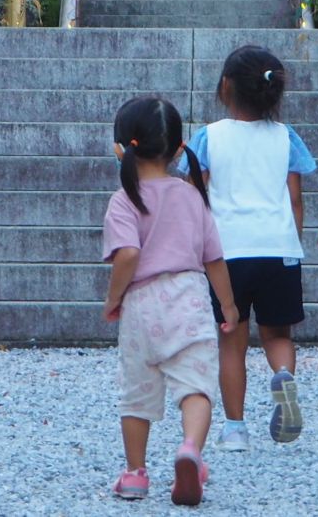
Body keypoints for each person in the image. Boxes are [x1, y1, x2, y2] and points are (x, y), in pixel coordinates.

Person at [103, 96, 241, 506]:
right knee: (196, 385)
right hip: (190, 299)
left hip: (142, 304)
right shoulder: (190, 196)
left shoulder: (123, 198)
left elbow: (127, 255)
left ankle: (134, 474)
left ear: (119, 148)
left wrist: (113, 299)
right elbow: (214, 258)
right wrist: (229, 307)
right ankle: (190, 451)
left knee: (137, 393)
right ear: (179, 150)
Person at [186, 45, 315, 452]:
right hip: (279, 248)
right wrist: (292, 239)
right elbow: (295, 199)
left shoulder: (209, 137)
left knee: (232, 340)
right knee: (278, 334)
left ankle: (236, 428)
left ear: (225, 87)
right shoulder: (286, 138)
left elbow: (194, 196)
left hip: (229, 254)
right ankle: (283, 376)